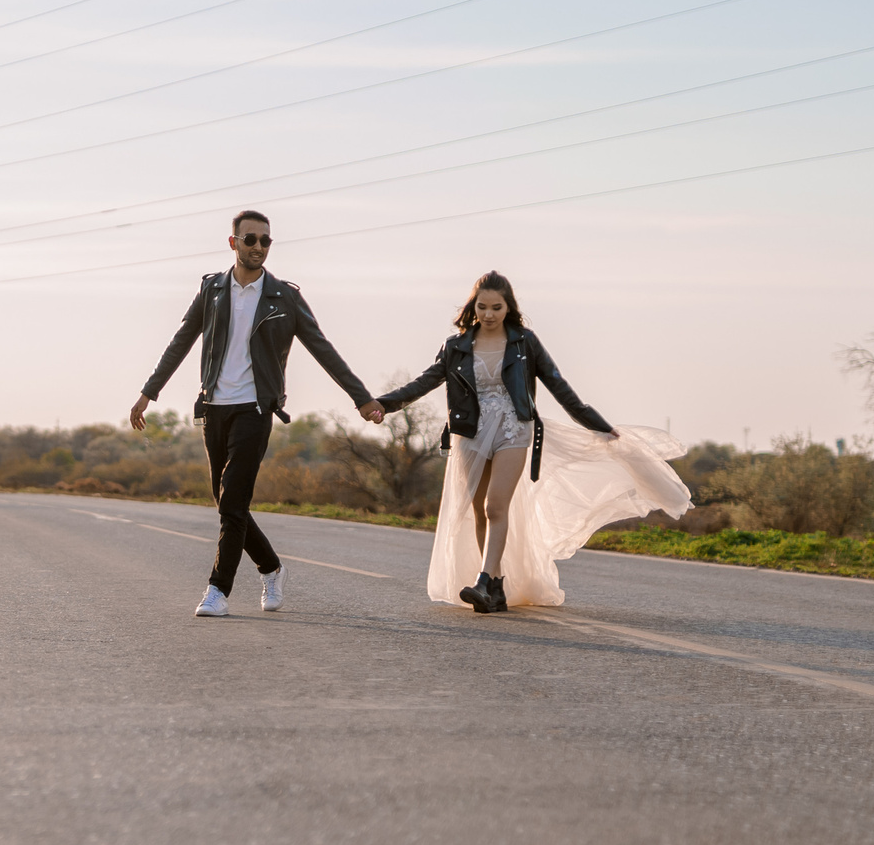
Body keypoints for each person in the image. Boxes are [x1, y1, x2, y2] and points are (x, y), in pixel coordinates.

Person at [373, 270, 689, 612]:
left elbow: (559, 386)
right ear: (473, 307)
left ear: (508, 307)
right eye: (482, 307)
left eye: (497, 307)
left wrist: (597, 424)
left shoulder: (525, 343)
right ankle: (493, 586)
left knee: (496, 506)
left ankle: (483, 581)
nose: (489, 314)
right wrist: (384, 405)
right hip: (471, 432)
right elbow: (424, 382)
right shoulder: (456, 347)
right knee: (479, 511)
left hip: (514, 428)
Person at [128, 209, 383, 617]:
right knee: (227, 501)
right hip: (213, 407)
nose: (259, 247)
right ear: (233, 243)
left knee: (232, 503)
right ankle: (271, 567)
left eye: (266, 241)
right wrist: (148, 392)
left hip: (255, 408)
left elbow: (323, 349)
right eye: (251, 240)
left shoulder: (284, 297)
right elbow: (180, 342)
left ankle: (218, 591)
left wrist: (362, 398)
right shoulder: (212, 291)